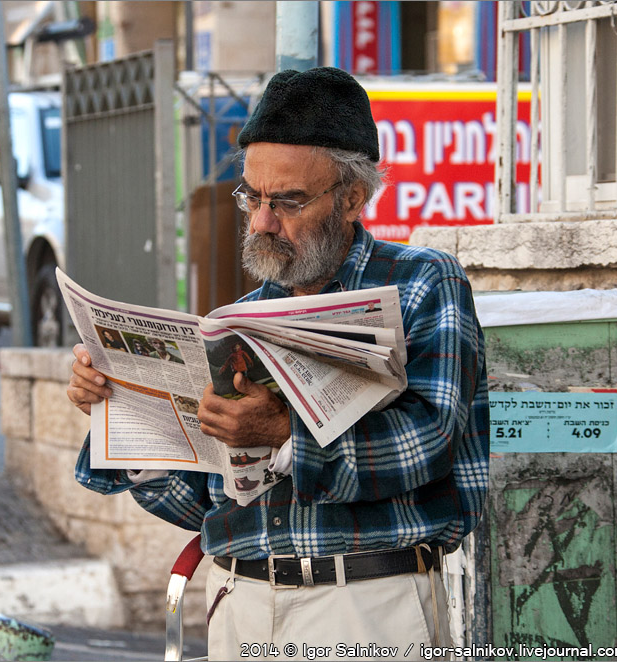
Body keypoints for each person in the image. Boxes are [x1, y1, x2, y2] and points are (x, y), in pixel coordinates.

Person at [66, 67, 489, 660]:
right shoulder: (235, 320)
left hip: (364, 603)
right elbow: (207, 500)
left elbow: (429, 442)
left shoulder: (422, 283)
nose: (263, 220)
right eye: (252, 196)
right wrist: (124, 413)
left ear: (352, 198)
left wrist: (286, 437)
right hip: (238, 602)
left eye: (287, 200)